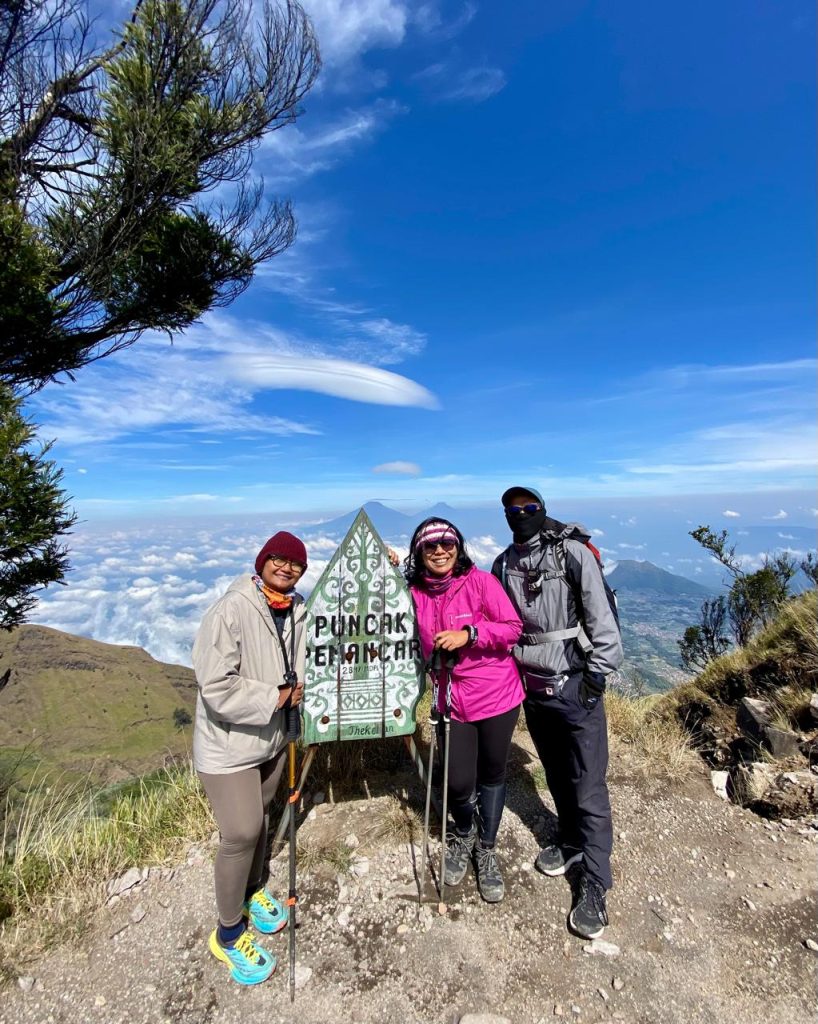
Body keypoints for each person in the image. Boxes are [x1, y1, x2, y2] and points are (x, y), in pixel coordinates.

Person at [492, 487, 623, 939]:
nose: (521, 515)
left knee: (588, 786)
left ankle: (595, 882)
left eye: (529, 509)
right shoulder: (503, 563)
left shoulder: (572, 555)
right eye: (513, 510)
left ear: (542, 511)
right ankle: (569, 842)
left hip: (574, 685)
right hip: (533, 690)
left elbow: (602, 622)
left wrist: (595, 679)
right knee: (555, 774)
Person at [192, 531, 308, 986]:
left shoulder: (297, 610)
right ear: (262, 562)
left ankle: (253, 889)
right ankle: (227, 932)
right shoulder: (232, 609)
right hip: (227, 747)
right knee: (241, 831)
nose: (286, 568)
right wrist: (277, 697)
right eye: (278, 560)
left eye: (296, 564)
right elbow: (216, 686)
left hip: (271, 740)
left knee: (259, 818)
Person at [403, 517, 524, 902]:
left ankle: (485, 849)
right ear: (419, 553)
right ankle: (464, 832)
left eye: (447, 542)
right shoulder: (413, 594)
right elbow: (385, 610)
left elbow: (512, 627)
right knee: (457, 781)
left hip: (496, 695)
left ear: (458, 546)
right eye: (430, 546)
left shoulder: (481, 583)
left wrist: (470, 633)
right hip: (449, 698)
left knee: (491, 772)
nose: (440, 550)